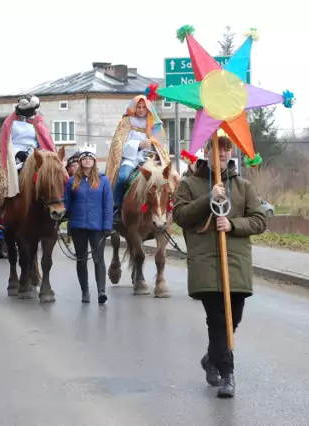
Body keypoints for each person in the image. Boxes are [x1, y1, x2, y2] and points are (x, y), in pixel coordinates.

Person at [172, 136, 266, 399]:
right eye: (217, 147)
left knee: (232, 318)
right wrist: (208, 198)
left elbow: (259, 221)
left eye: (226, 148)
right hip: (205, 264)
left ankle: (212, 357)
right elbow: (179, 216)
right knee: (217, 319)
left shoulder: (244, 186)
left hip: (236, 262)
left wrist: (233, 225)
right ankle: (228, 375)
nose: (222, 152)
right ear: (206, 150)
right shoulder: (188, 184)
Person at [105, 91, 169, 225]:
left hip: (149, 159)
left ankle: (166, 208)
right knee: (122, 177)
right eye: (138, 107)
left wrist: (154, 148)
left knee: (166, 179)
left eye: (143, 107)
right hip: (131, 158)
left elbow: (161, 146)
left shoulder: (155, 123)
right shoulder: (126, 122)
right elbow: (118, 144)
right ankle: (116, 207)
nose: (140, 110)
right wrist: (139, 145)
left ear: (148, 108)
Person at [64, 143, 113, 304]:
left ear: (94, 161)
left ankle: (101, 291)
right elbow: (67, 205)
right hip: (78, 226)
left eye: (89, 158)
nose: (87, 161)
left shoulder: (104, 180)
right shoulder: (72, 182)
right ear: (80, 162)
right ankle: (85, 291)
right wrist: (63, 221)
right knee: (81, 259)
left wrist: (107, 226)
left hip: (97, 226)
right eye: (84, 158)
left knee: (98, 258)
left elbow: (107, 205)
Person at [0, 95, 56, 218]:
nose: (31, 113)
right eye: (29, 110)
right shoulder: (10, 122)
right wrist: (17, 153)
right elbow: (6, 142)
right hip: (15, 155)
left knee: (51, 175)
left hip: (35, 153)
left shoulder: (38, 121)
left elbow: (44, 140)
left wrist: (39, 154)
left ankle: (54, 205)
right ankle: (5, 211)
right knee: (8, 179)